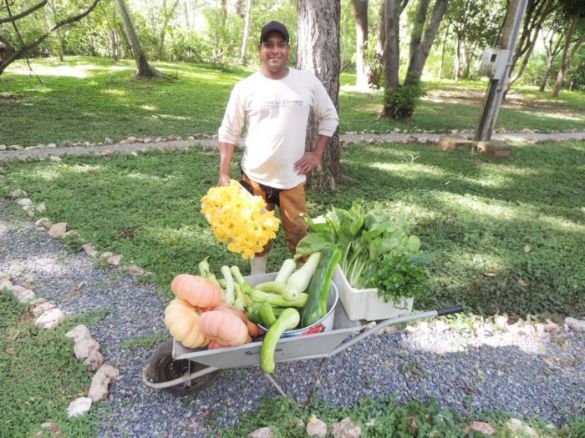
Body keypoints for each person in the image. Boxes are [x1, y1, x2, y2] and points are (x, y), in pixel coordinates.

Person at [217, 20, 339, 275]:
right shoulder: (245, 87)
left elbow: (330, 116)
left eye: (280, 45)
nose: (275, 50)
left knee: (300, 236)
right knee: (256, 238)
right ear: (260, 49)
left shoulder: (306, 82)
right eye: (268, 45)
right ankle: (257, 283)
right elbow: (229, 131)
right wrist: (224, 173)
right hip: (256, 179)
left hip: (292, 179)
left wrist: (316, 154)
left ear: (288, 49)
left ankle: (301, 288)